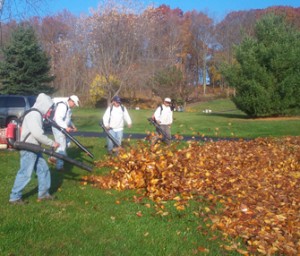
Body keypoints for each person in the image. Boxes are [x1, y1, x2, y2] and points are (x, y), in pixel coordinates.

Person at [9, 93, 60, 204]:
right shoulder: (34, 114)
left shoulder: (35, 113)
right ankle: (14, 197)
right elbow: (37, 134)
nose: (49, 111)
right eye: (49, 108)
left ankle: (44, 194)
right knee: (25, 173)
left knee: (44, 170)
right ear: (44, 105)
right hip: (28, 148)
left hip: (34, 148)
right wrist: (52, 143)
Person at [48, 95, 79, 171]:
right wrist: (66, 127)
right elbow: (58, 119)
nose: (74, 106)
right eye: (74, 104)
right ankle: (59, 166)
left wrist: (73, 126)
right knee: (62, 148)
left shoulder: (68, 108)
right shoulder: (63, 106)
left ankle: (53, 158)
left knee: (67, 143)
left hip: (63, 128)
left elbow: (68, 119)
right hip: (58, 128)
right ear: (71, 101)